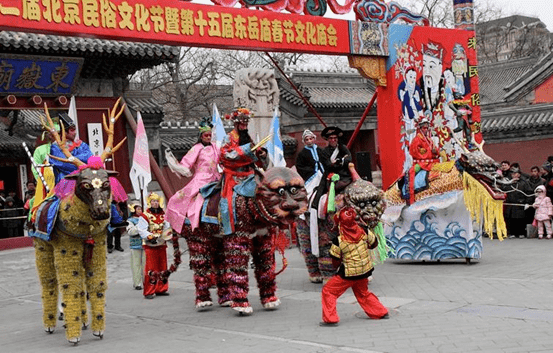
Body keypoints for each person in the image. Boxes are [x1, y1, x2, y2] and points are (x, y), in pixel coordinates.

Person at [320, 207, 388, 326]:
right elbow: (374, 244)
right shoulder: (364, 230)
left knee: (328, 291)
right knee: (363, 292)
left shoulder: (339, 240)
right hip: (365, 270)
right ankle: (380, 312)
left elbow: (335, 261)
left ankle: (330, 318)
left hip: (348, 274)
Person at [216, 107, 267, 235]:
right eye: (242, 124)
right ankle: (228, 229)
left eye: (246, 124)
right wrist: (245, 150)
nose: (244, 127)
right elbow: (224, 155)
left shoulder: (248, 138)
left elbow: (255, 152)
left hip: (250, 173)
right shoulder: (228, 138)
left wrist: (262, 154)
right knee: (228, 203)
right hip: (234, 175)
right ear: (236, 124)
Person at [166, 117, 221, 233]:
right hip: (200, 180)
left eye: (210, 135)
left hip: (216, 178)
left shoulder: (216, 147)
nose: (209, 137)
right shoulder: (197, 148)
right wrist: (175, 164)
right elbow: (186, 164)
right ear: (201, 136)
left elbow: (223, 159)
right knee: (179, 199)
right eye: (206, 135)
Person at [137, 193, 172, 299]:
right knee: (151, 268)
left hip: (161, 244)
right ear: (149, 202)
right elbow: (141, 229)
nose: (155, 203)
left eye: (157, 201)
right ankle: (149, 290)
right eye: (153, 201)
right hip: (150, 245)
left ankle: (161, 288)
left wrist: (167, 235)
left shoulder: (163, 214)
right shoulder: (145, 215)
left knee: (162, 267)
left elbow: (167, 227)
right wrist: (150, 237)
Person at [50, 113, 93, 184]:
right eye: (72, 130)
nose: (75, 133)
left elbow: (89, 157)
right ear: (64, 132)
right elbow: (63, 164)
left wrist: (72, 159)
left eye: (75, 130)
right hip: (65, 180)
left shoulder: (81, 144)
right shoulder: (56, 147)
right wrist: (82, 165)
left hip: (84, 178)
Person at [501, 168, 531, 239]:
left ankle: (521, 233)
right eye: (512, 174)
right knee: (511, 219)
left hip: (520, 203)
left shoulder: (524, 182)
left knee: (520, 220)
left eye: (515, 173)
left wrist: (527, 202)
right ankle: (512, 233)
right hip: (510, 204)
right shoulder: (508, 182)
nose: (514, 175)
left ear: (519, 174)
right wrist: (509, 183)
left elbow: (529, 193)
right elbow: (503, 189)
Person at [295, 129, 324, 199]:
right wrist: (311, 170)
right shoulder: (302, 153)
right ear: (304, 142)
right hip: (311, 176)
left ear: (314, 139)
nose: (309, 141)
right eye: (307, 140)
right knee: (309, 191)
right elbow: (300, 166)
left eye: (311, 139)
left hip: (322, 173)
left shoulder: (320, 150)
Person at [126, 202, 146, 290]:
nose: (140, 210)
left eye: (140, 209)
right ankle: (137, 283)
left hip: (145, 244)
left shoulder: (145, 219)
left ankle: (146, 281)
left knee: (145, 265)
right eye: (138, 209)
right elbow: (130, 232)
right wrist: (139, 227)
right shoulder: (130, 221)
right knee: (136, 264)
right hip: (135, 244)